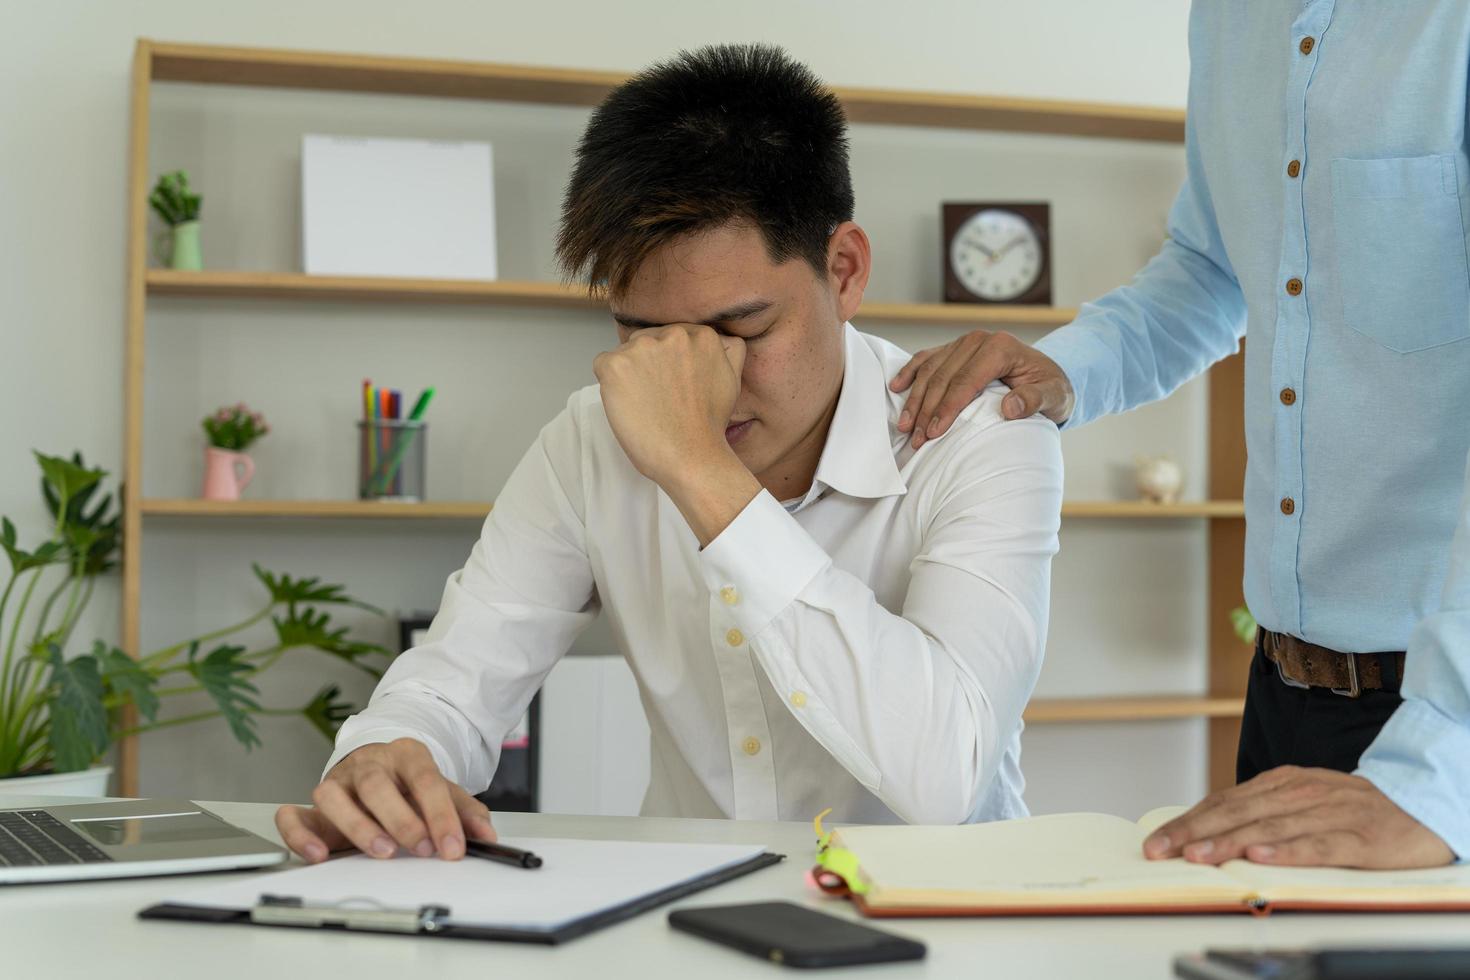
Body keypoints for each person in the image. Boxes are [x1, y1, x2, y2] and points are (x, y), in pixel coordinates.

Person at [275, 44, 1064, 864]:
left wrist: (701, 473)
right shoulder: (589, 438)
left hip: (947, 924)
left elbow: (947, 775)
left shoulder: (986, 436)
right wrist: (390, 756)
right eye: (643, 335)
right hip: (689, 913)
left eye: (739, 330)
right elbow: (457, 680)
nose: (700, 382)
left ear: (844, 270)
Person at [891, 1, 1468, 870]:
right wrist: (1065, 367)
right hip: (1282, 688)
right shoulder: (1232, 22)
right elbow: (1208, 268)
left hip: (1442, 716)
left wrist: (1441, 773)